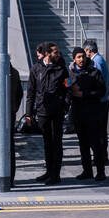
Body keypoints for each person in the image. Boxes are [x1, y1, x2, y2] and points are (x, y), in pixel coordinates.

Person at [32, 45, 69, 184]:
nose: (59, 54)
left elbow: (68, 88)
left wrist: (65, 105)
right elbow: (31, 91)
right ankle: (49, 171)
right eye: (56, 52)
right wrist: (29, 112)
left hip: (57, 111)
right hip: (43, 111)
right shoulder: (36, 68)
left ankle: (56, 175)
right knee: (47, 143)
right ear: (47, 53)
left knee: (57, 143)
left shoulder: (62, 69)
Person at [68, 47, 107, 179]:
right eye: (78, 57)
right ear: (74, 59)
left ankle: (100, 171)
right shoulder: (70, 74)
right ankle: (87, 170)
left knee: (95, 143)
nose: (81, 59)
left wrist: (84, 94)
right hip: (78, 113)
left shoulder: (94, 72)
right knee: (83, 144)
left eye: (83, 56)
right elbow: (66, 88)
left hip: (92, 113)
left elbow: (102, 91)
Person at [83, 39, 109, 170]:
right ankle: (102, 155)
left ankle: (100, 156)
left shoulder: (96, 62)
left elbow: (97, 81)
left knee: (98, 131)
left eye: (85, 51)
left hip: (99, 101)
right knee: (102, 130)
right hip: (104, 100)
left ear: (89, 50)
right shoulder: (102, 60)